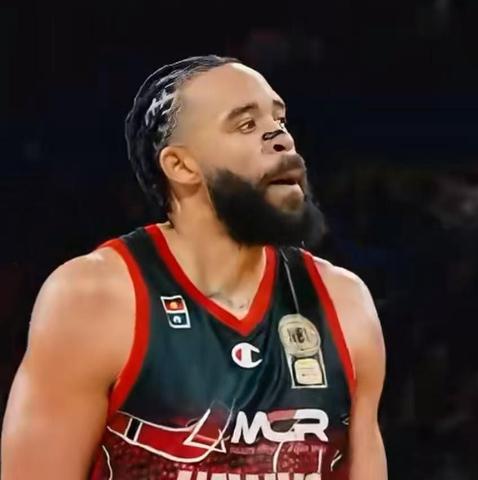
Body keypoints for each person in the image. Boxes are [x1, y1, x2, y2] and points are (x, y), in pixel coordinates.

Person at [1, 55, 387, 480]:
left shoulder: (343, 302)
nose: (281, 138)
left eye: (279, 120)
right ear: (181, 166)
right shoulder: (95, 298)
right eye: (246, 124)